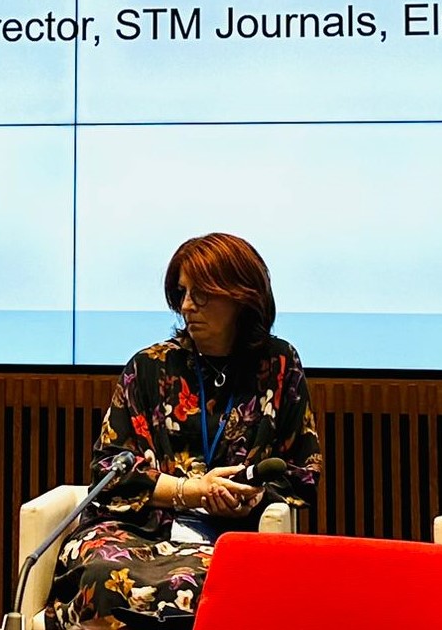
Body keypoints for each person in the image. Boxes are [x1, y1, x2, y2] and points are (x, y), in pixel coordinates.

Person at [47, 233, 321, 629]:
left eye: (201, 294)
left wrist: (252, 496)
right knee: (103, 574)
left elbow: (303, 472)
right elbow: (108, 471)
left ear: (241, 297)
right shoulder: (149, 366)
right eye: (182, 293)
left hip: (231, 536)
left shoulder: (278, 364)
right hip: (136, 531)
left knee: (218, 582)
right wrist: (190, 491)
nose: (187, 306)